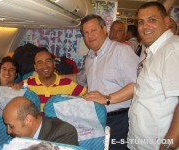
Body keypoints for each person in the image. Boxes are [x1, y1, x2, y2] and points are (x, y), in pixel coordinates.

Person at [66, 14, 140, 150]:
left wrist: (106, 98)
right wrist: (54, 76)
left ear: (104, 29)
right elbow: (80, 78)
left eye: (93, 30)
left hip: (119, 119)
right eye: (85, 33)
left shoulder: (121, 51)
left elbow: (137, 85)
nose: (89, 36)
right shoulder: (90, 57)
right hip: (97, 118)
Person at [128, 2, 179, 150]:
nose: (145, 26)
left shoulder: (172, 50)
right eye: (141, 22)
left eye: (152, 20)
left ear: (166, 21)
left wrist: (169, 146)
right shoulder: (154, 51)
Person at [20, 49, 87, 114]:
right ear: (35, 67)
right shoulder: (26, 84)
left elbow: (86, 95)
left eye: (48, 61)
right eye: (40, 63)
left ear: (54, 63)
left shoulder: (67, 84)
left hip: (58, 124)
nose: (45, 66)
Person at [3, 96, 79, 146]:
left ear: (28, 120)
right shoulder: (19, 138)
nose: (8, 131)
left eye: (11, 126)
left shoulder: (64, 133)